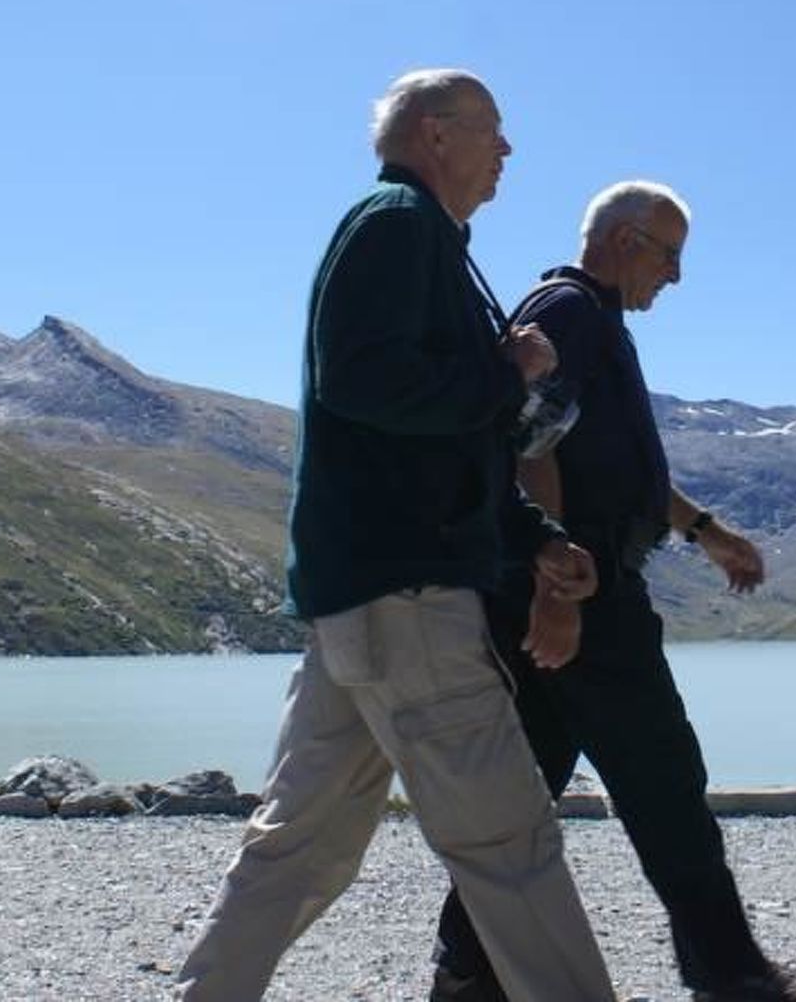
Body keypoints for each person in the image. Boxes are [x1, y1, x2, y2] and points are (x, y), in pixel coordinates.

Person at [173, 69, 620, 1002]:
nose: (507, 150)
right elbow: (365, 381)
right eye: (492, 129)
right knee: (510, 843)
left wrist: (533, 535)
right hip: (409, 597)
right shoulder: (397, 224)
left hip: (363, 596)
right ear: (434, 133)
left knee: (300, 848)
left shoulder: (421, 237)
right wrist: (509, 373)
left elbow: (433, 442)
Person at [431, 182, 796, 1002]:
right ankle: (732, 975)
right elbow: (528, 442)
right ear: (625, 241)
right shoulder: (573, 313)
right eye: (670, 255)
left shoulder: (587, 318)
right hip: (585, 596)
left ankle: (468, 972)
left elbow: (611, 465)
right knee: (665, 780)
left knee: (525, 793)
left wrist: (705, 529)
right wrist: (557, 589)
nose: (675, 276)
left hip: (565, 588)